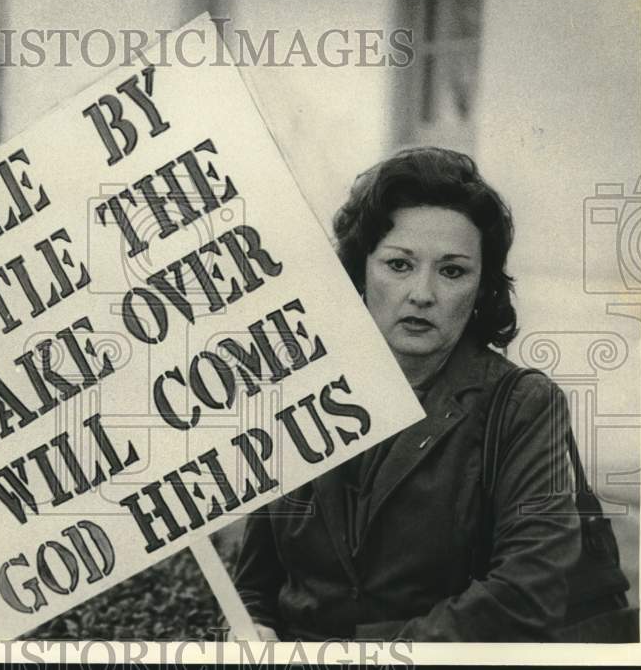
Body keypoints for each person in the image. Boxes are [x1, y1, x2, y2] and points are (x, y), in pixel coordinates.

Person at [233, 147, 581, 642]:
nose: (423, 293)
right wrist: (254, 625)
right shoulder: (299, 390)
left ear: (483, 288)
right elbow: (256, 580)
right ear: (359, 272)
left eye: (452, 271)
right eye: (399, 265)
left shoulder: (522, 405)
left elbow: (529, 593)